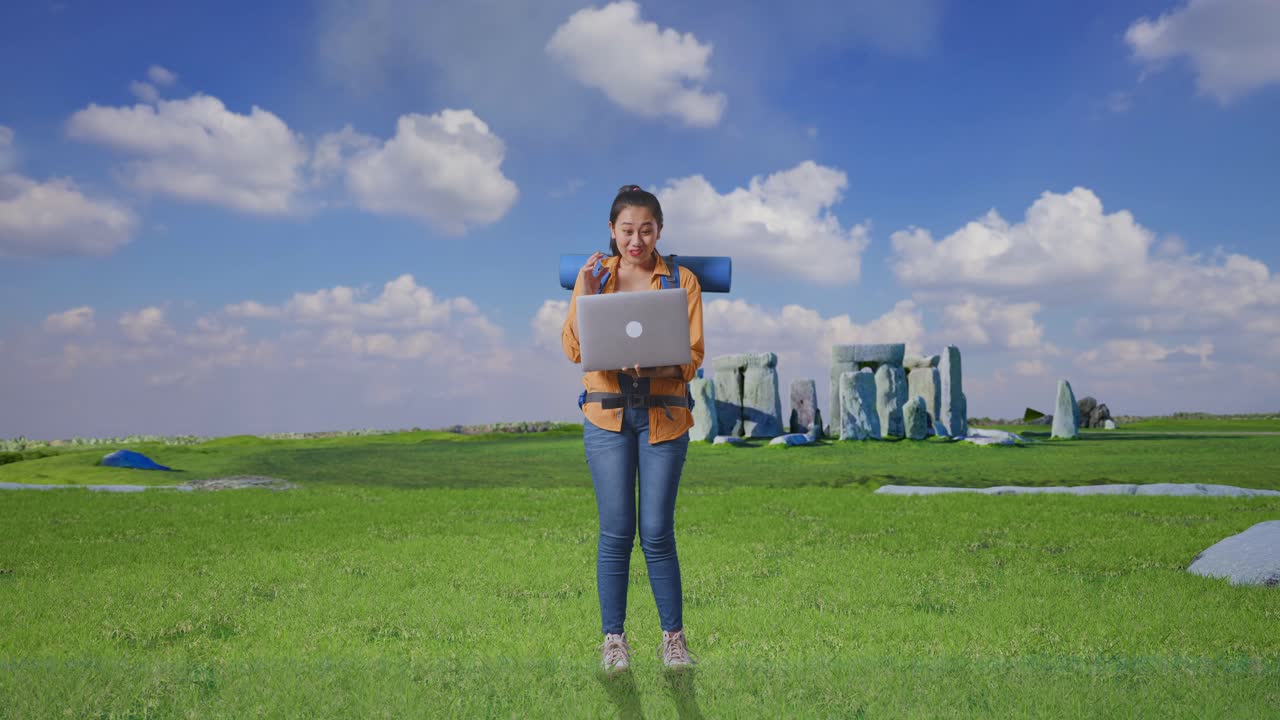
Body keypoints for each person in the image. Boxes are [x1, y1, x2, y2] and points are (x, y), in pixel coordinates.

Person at [560, 184, 704, 675]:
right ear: (612, 231)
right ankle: (614, 642)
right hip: (607, 418)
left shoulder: (680, 281)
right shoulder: (596, 278)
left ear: (659, 230)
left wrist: (659, 364)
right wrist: (583, 287)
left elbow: (694, 358)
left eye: (646, 229)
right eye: (627, 230)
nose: (636, 240)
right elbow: (574, 350)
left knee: (658, 532)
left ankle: (674, 642)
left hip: (663, 417)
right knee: (616, 532)